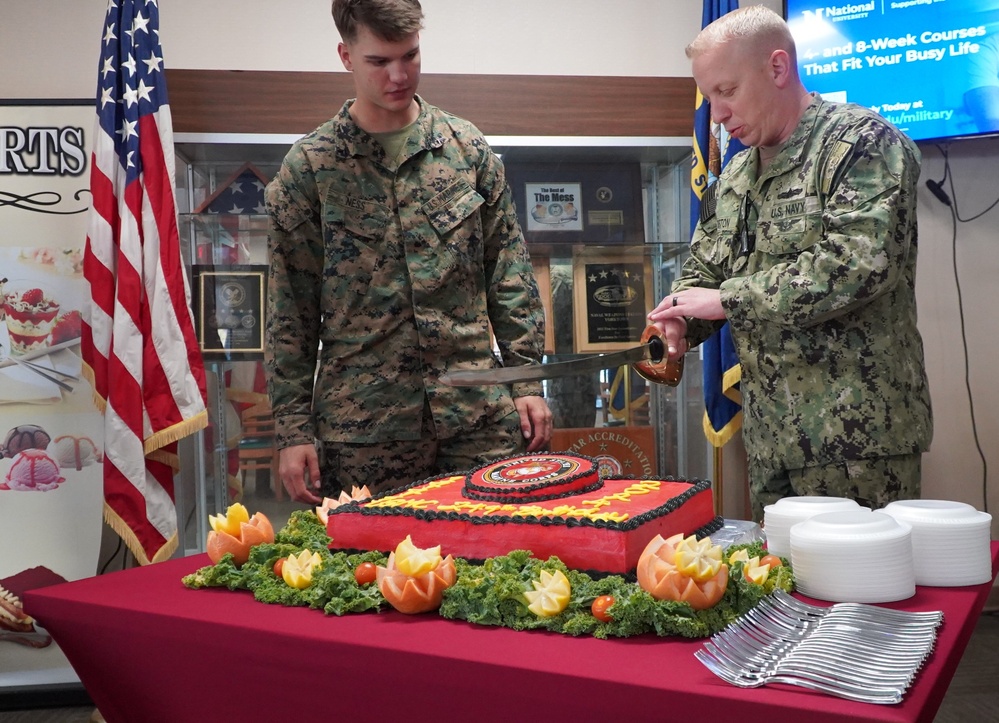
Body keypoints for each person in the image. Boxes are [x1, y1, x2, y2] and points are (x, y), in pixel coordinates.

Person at [648, 6, 932, 521]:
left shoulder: (860, 143)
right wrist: (679, 322)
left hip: (856, 439)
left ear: (777, 68)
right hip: (771, 437)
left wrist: (727, 299)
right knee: (785, 593)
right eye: (709, 96)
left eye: (727, 91)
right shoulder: (735, 175)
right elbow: (706, 271)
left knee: (858, 594)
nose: (716, 115)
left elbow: (856, 264)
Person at [264, 0, 552, 505]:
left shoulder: (466, 149)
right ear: (346, 56)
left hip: (477, 418)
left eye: (411, 56)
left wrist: (526, 380)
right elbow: (291, 307)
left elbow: (508, 272)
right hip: (364, 428)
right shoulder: (311, 167)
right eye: (379, 61)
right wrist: (292, 430)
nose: (399, 75)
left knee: (494, 566)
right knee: (378, 574)